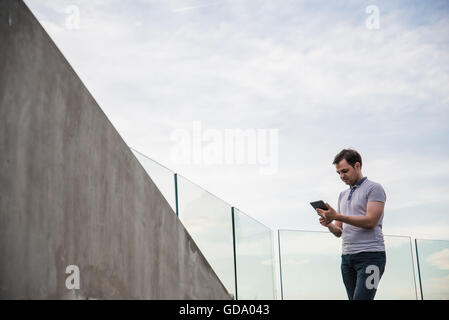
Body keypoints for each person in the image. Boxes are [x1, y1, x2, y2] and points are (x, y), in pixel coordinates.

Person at [316, 149, 387, 300]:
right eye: (338, 173)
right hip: (347, 260)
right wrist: (329, 223)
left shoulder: (374, 188)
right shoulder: (342, 195)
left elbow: (370, 221)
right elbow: (339, 231)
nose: (341, 176)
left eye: (344, 171)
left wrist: (337, 215)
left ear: (357, 166)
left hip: (371, 258)